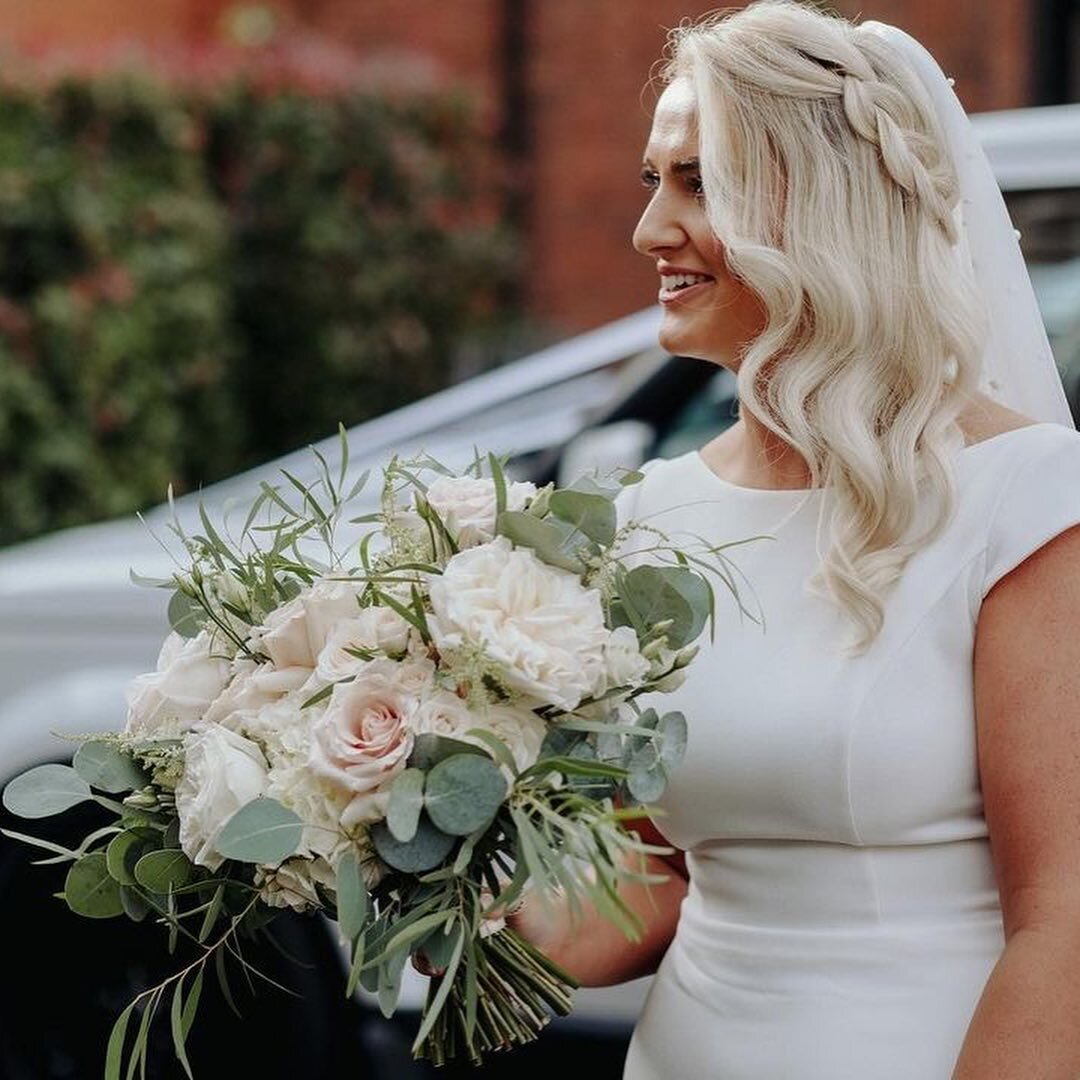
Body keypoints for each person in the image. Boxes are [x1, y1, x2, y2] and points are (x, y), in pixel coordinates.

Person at [502, 2, 1080, 1077]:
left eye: (697, 182)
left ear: (817, 211)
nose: (648, 232)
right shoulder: (649, 517)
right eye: (651, 181)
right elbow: (655, 878)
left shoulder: (1024, 500)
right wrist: (451, 896)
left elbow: (1068, 924)